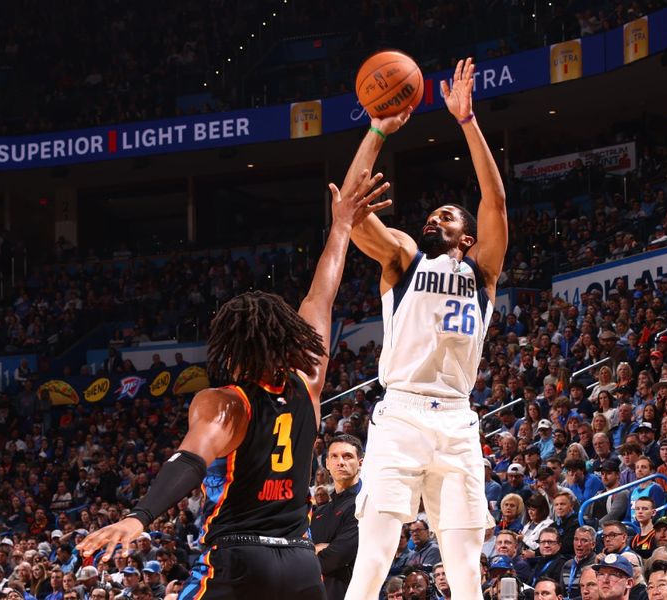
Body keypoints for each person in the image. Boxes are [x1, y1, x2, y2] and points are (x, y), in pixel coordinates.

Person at [76, 170, 393, 600]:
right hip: (301, 564)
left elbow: (188, 460)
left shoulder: (226, 403)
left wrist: (140, 515)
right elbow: (322, 297)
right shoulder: (310, 382)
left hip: (242, 559)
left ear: (233, 349)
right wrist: (340, 227)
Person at [342, 57, 508, 600]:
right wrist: (374, 131)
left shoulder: (482, 272)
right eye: (431, 215)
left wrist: (467, 122)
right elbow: (349, 209)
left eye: (448, 216)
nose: (434, 219)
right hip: (403, 415)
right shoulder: (405, 259)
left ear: (466, 236)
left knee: (465, 569)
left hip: (458, 420)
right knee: (374, 557)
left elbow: (496, 201)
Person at [311, 434, 364, 599]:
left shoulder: (365, 504)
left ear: (360, 463)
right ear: (327, 463)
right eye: (334, 456)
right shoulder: (319, 512)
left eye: (347, 456)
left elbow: (335, 557)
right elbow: (298, 553)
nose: (340, 461)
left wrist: (313, 551)